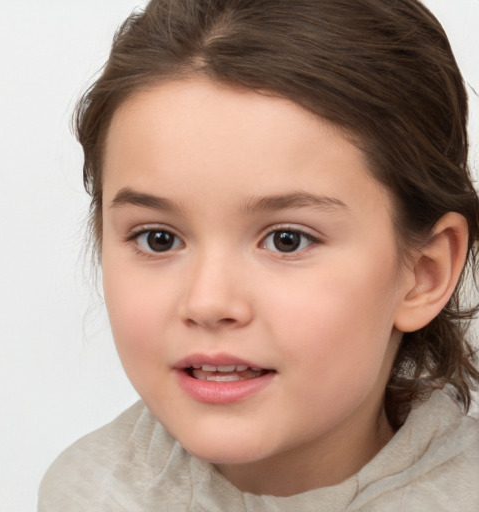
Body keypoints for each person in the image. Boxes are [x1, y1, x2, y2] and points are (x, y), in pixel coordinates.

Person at [38, 0, 479, 509]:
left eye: (286, 240)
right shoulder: (89, 494)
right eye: (158, 238)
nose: (207, 302)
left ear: (424, 274)